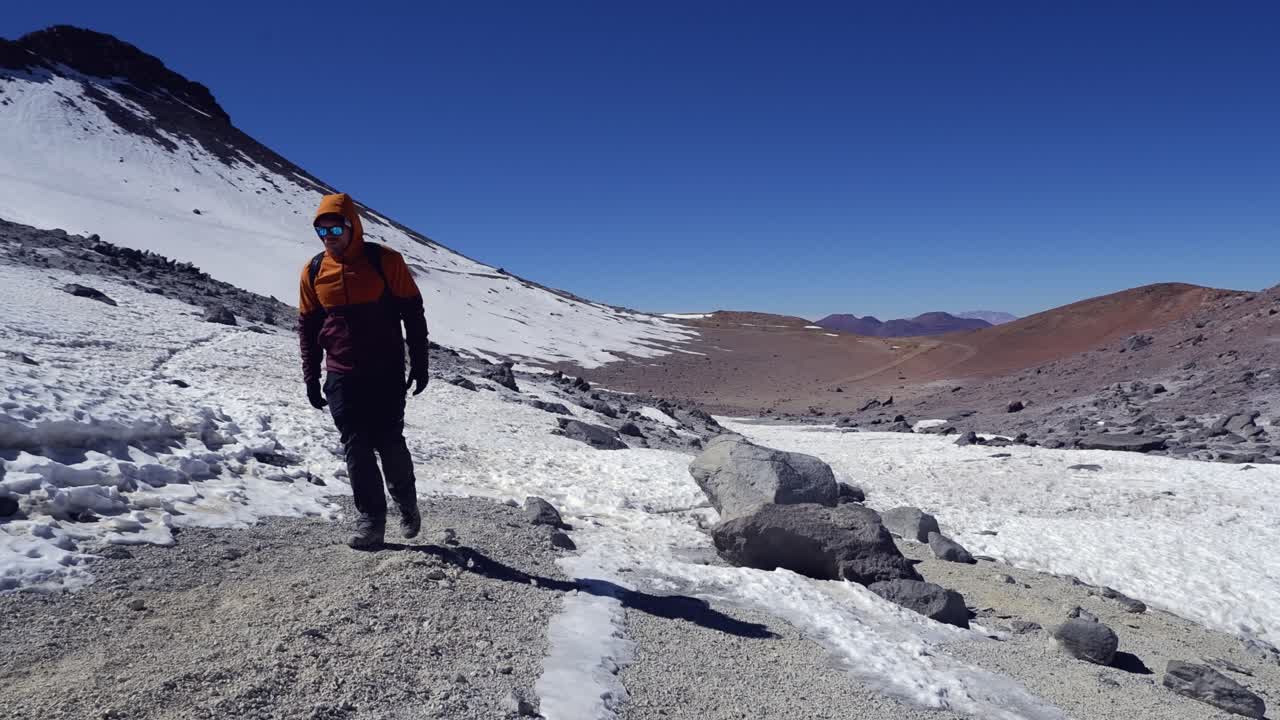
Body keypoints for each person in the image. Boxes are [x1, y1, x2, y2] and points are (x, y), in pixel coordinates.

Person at [297, 192, 430, 548]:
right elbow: (308, 328)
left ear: (352, 226)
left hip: (385, 371)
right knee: (356, 447)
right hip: (341, 374)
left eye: (336, 229)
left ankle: (406, 504)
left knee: (389, 443)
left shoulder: (385, 261)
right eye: (322, 232)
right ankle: (371, 520)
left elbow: (412, 314)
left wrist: (420, 362)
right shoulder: (313, 271)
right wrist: (311, 376)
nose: (330, 238)